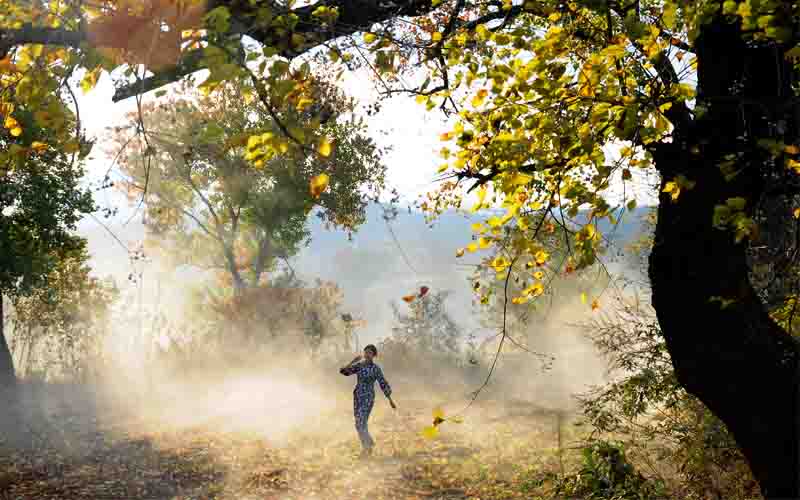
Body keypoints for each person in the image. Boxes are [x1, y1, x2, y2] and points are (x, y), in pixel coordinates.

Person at [339, 344, 396, 458]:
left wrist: (390, 399)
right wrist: (352, 362)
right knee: (358, 423)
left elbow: (382, 383)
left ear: (374, 355)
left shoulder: (376, 369)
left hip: (368, 397)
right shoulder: (359, 365)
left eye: (369, 352)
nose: (367, 354)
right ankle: (368, 444)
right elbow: (344, 372)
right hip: (358, 396)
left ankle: (367, 448)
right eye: (365, 352)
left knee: (361, 421)